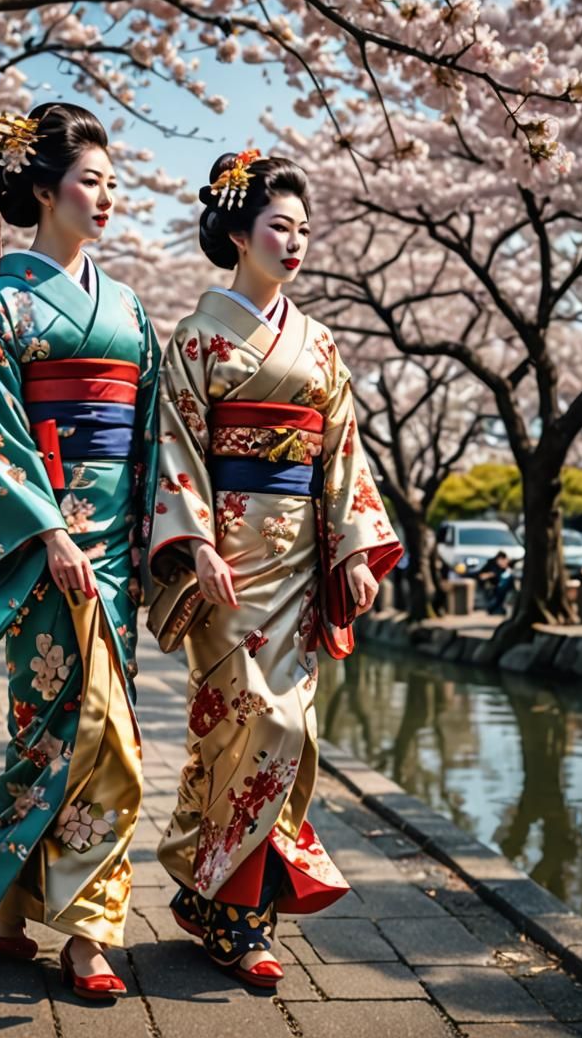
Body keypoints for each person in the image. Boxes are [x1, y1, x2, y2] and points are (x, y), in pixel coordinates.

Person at [148, 151, 402, 990]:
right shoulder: (195, 338)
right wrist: (195, 546)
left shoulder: (319, 342)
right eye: (279, 227)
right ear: (237, 233)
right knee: (239, 724)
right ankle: (230, 912)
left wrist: (355, 551)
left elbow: (342, 454)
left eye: (303, 230)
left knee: (289, 732)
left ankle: (225, 902)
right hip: (228, 560)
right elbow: (176, 447)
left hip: (297, 562)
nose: (295, 243)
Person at [0, 103, 159, 1000]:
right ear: (42, 190)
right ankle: (15, 898)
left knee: (112, 738)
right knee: (48, 734)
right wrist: (53, 531)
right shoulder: (5, 303)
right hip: (44, 545)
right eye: (89, 181)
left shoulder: (130, 307)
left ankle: (82, 929)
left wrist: (155, 537)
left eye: (112, 183)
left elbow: (151, 438)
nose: (106, 197)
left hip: (114, 549)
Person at [478, 550, 514, 615]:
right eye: (502, 560)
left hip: (501, 587)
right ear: (499, 559)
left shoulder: (506, 567)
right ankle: (493, 608)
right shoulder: (491, 564)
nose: (504, 562)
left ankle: (499, 608)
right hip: (491, 586)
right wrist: (490, 574)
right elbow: (481, 576)